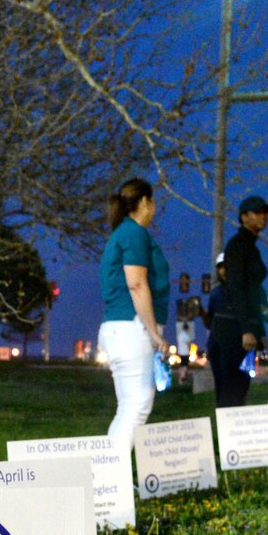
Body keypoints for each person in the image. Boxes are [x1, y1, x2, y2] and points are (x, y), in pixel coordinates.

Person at [97, 177, 171, 451]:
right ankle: (110, 481)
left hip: (121, 328)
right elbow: (137, 283)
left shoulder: (123, 233)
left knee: (130, 408)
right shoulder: (134, 233)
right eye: (152, 203)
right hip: (132, 328)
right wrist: (154, 333)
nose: (153, 209)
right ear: (143, 202)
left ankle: (110, 479)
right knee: (136, 408)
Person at [211, 195, 268, 408]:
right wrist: (246, 329)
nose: (263, 217)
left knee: (241, 383)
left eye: (265, 213)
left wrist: (259, 330)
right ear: (244, 217)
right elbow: (237, 288)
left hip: (245, 324)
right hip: (233, 327)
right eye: (257, 212)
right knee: (233, 385)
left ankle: (235, 434)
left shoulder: (251, 246)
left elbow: (253, 292)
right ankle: (229, 434)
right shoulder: (238, 246)